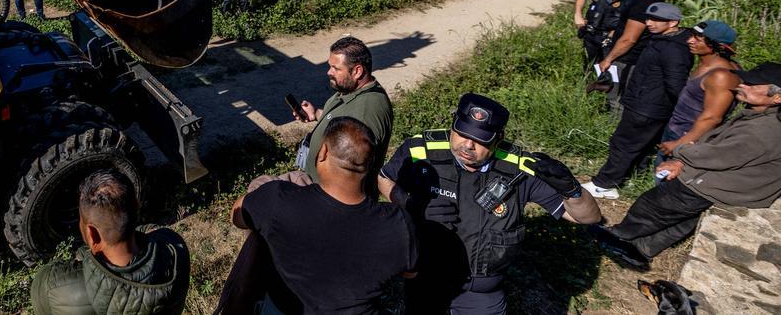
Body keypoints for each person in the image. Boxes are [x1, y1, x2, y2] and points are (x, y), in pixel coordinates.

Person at [379, 93, 601, 314]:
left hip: (480, 292)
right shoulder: (420, 150)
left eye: (479, 139)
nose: (468, 145)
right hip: (426, 279)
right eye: (462, 133)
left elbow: (587, 218)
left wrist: (572, 191)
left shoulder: (520, 169)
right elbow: (383, 177)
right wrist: (408, 202)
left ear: (499, 137)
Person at [590, 62, 781, 269]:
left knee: (654, 205)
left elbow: (719, 155)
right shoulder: (765, 117)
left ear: (777, 97)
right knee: (682, 222)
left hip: (717, 184)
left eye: (753, 85)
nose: (742, 85)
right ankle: (640, 251)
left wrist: (681, 152)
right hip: (738, 188)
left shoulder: (763, 130)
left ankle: (618, 236)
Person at [221, 117, 419, 314]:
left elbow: (237, 216)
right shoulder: (398, 223)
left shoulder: (278, 199)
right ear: (368, 165)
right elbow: (409, 272)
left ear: (323, 152)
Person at [31, 169, 190, 315]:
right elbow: (153, 232)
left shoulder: (53, 285)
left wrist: (83, 256)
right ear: (137, 207)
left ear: (92, 235)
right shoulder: (175, 250)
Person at [583, 2, 693, 200]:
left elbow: (675, 84)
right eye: (648, 19)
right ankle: (633, 176)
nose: (649, 23)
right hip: (645, 102)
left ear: (673, 22)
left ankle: (604, 184)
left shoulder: (674, 49)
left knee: (623, 143)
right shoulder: (664, 39)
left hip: (648, 107)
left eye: (655, 20)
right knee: (640, 144)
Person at [291, 36, 393, 184]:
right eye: (330, 66)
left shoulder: (368, 111)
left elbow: (352, 172)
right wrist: (317, 114)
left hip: (329, 197)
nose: (329, 72)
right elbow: (344, 122)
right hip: (316, 187)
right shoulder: (350, 90)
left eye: (336, 68)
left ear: (357, 71)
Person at [657, 20, 739, 161]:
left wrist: (679, 143)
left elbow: (712, 117)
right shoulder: (706, 64)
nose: (689, 40)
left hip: (689, 137)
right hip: (676, 128)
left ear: (716, 45)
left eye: (698, 38)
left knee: (667, 179)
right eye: (692, 35)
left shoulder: (721, 76)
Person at [596, 0, 664, 109]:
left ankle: (612, 128)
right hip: (636, 57)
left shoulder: (642, 6)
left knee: (616, 99)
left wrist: (608, 59)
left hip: (627, 59)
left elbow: (629, 39)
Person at [574, 0, 634, 68]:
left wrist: (613, 34)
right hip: (590, 34)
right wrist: (578, 15)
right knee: (589, 67)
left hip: (612, 38)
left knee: (608, 70)